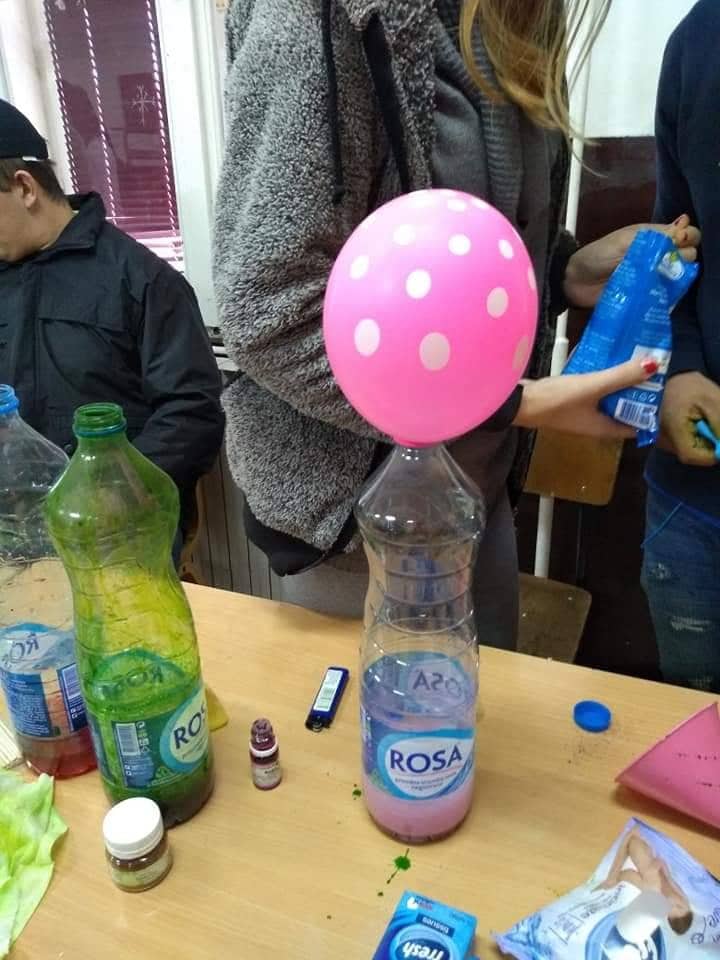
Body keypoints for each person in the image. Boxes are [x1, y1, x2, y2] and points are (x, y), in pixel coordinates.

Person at [214, 0, 699, 639]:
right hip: (360, 532)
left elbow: (462, 265)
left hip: (478, 499)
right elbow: (267, 311)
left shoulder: (515, 28)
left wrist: (565, 271)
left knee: (477, 698)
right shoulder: (317, 18)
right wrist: (507, 403)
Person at [0, 99, 224, 544]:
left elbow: (192, 412)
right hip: (14, 530)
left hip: (120, 531)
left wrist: (107, 497)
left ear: (25, 188)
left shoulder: (141, 280)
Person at [642, 0, 720, 694]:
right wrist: (682, 367)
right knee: (691, 727)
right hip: (694, 505)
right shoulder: (698, 39)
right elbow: (678, 237)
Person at [597, 828, 693, 936]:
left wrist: (612, 878)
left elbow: (623, 875)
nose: (674, 901)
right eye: (680, 905)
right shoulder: (672, 877)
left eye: (671, 907)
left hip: (632, 836)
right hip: (645, 833)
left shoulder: (651, 889)